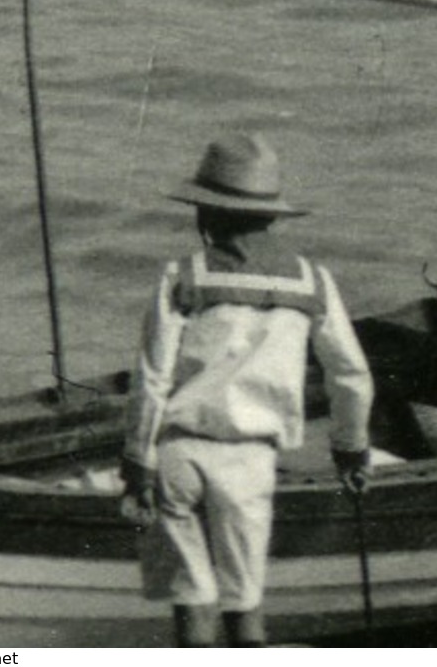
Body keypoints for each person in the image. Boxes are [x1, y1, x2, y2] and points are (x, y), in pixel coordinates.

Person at [119, 131, 374, 648]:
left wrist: (137, 465)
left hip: (178, 454)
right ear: (274, 216)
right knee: (244, 608)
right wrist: (350, 450)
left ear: (205, 215)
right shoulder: (311, 283)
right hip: (248, 463)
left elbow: (152, 378)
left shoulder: (181, 276)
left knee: (190, 605)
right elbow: (350, 375)